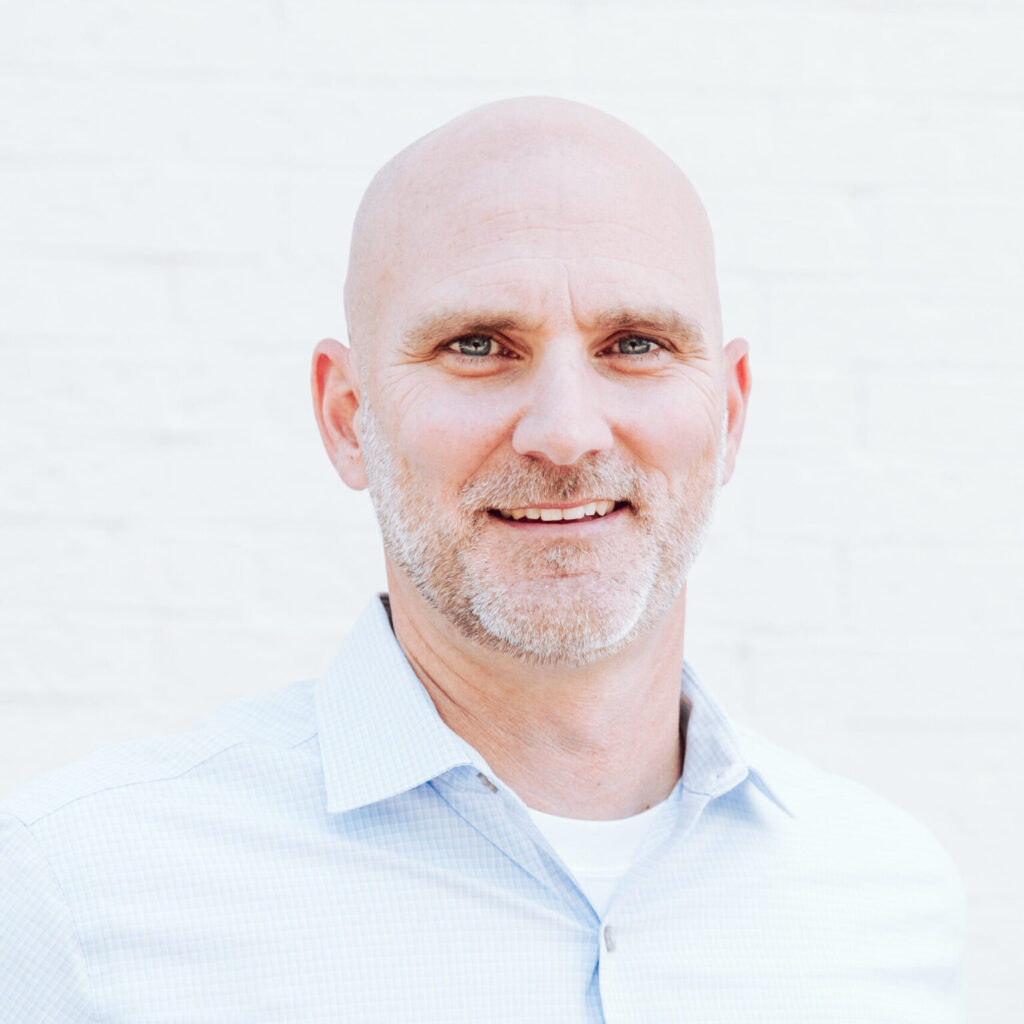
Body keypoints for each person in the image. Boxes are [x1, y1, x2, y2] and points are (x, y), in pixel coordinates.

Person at [1, 98, 965, 1022]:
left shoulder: (881, 897)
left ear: (731, 410)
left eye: (635, 343)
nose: (564, 433)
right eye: (476, 345)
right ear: (348, 419)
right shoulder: (82, 898)